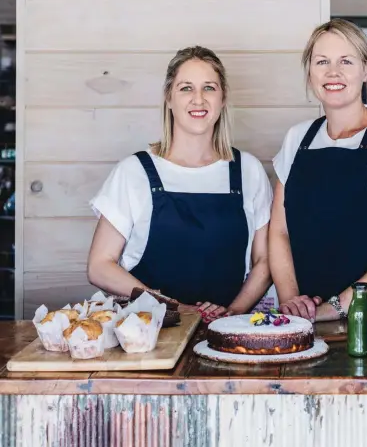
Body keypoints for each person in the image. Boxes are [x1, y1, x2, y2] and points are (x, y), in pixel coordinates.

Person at [87, 46, 272, 320]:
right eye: (186, 88)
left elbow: (264, 261)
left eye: (209, 88)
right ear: (169, 99)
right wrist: (172, 307)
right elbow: (99, 266)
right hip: (148, 332)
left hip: (228, 331)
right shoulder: (134, 172)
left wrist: (233, 313)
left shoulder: (248, 171)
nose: (198, 99)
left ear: (223, 99)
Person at [269, 19, 367, 322]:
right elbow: (279, 232)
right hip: (308, 325)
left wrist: (337, 307)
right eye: (322, 62)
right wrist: (292, 302)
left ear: (366, 68)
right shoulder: (296, 140)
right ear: (310, 71)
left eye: (346, 61)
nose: (333, 72)